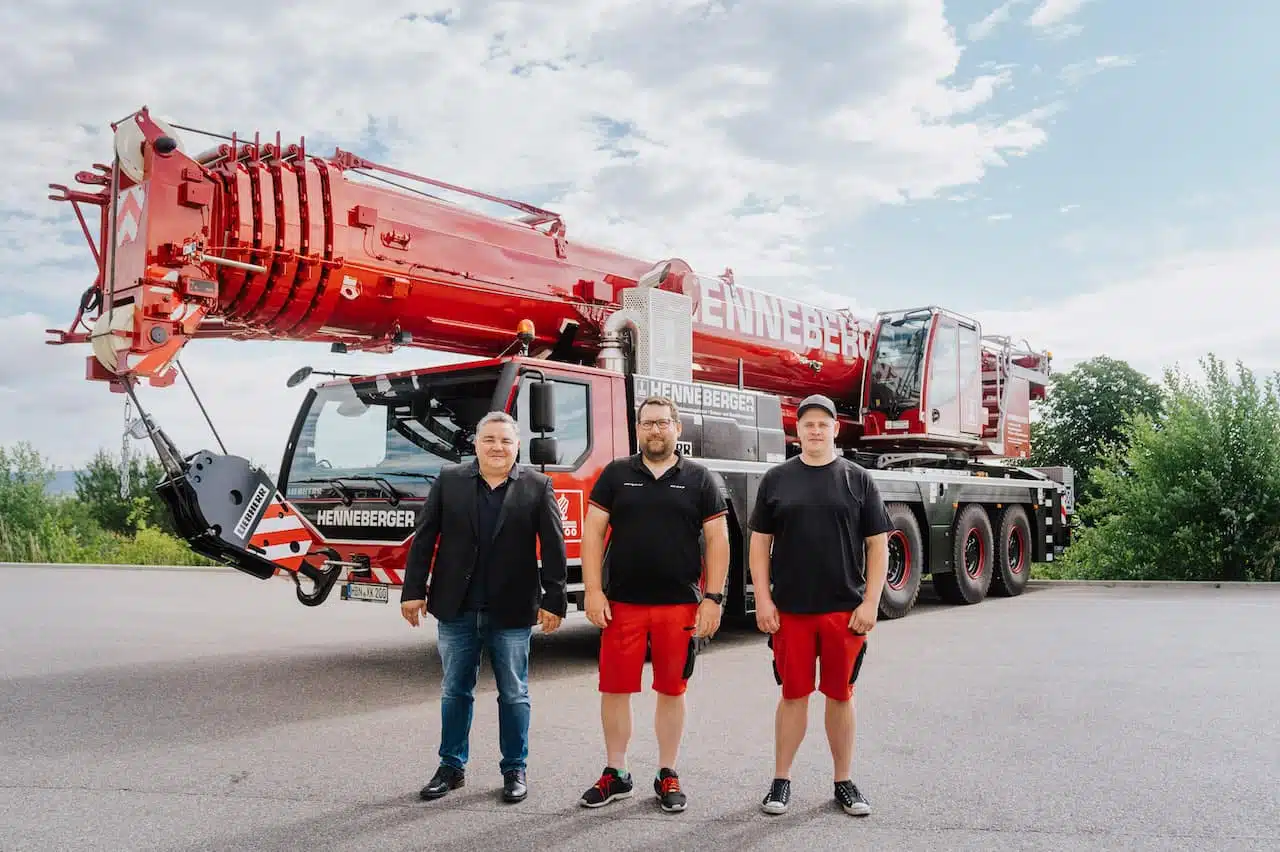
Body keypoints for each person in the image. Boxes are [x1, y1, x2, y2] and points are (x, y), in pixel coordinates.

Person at [400, 410, 568, 805]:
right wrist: (413, 590)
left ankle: (515, 769)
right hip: (456, 608)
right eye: (489, 439)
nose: (497, 447)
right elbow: (424, 538)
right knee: (455, 691)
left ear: (517, 446)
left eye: (506, 441)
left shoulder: (538, 485)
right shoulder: (449, 480)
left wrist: (554, 600)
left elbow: (554, 548)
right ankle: (451, 767)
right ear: (476, 443)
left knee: (514, 693)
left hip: (512, 610)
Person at [578, 394, 730, 813]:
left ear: (677, 428)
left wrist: (714, 598)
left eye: (663, 423)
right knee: (614, 689)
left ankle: (667, 772)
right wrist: (593, 590)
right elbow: (593, 533)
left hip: (679, 605)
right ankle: (616, 773)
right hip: (621, 604)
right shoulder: (616, 474)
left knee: (672, 689)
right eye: (647, 423)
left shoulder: (700, 478)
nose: (655, 430)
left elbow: (718, 540)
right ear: (638, 429)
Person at [747, 393, 892, 817]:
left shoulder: (858, 479)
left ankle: (843, 781)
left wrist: (871, 603)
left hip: (844, 612)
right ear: (798, 430)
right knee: (793, 695)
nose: (815, 430)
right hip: (790, 612)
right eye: (808, 424)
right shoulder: (777, 480)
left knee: (840, 696)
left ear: (835, 429)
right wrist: (763, 599)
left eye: (822, 424)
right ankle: (781, 781)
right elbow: (759, 544)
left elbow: (878, 545)